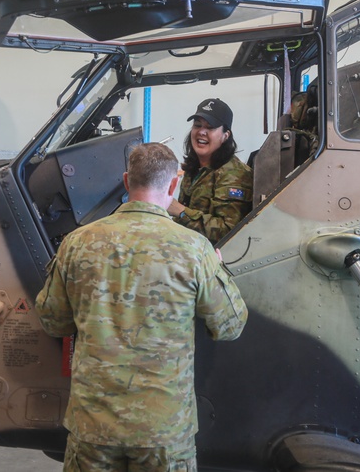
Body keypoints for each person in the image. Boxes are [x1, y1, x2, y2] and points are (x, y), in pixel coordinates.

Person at [35, 142, 248, 472]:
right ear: (173, 184)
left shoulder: (78, 243)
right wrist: (217, 269)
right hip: (162, 428)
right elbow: (230, 325)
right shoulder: (194, 249)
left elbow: (52, 321)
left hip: (94, 425)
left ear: (125, 181)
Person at [168, 98, 253, 244]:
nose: (201, 132)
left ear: (225, 136)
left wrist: (181, 212)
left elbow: (228, 230)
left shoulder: (234, 174)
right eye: (197, 125)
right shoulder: (195, 168)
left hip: (212, 260)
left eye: (210, 127)